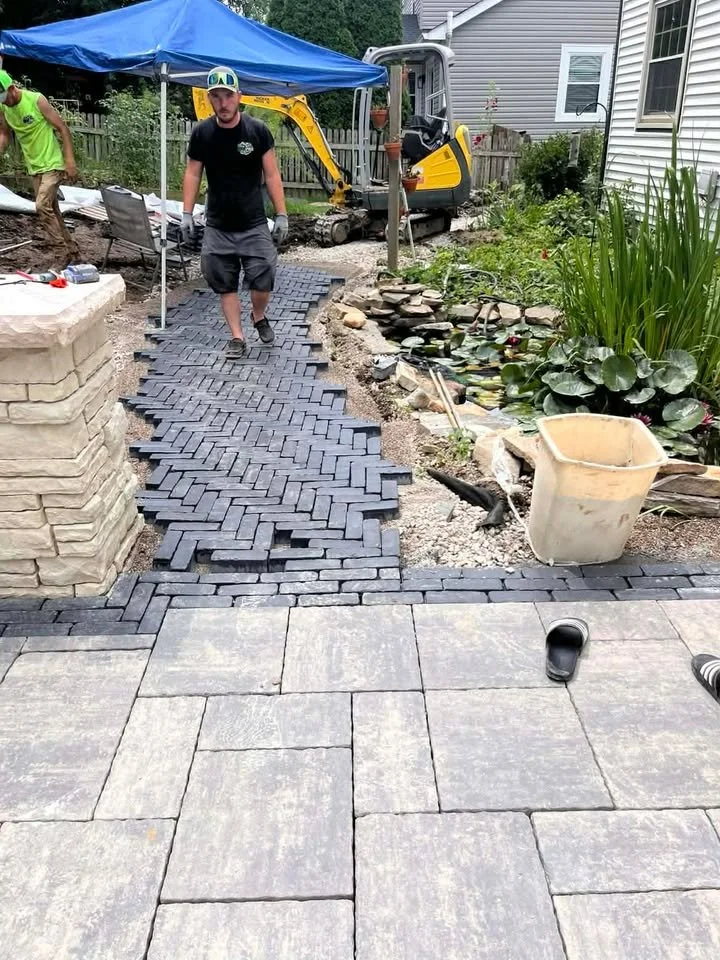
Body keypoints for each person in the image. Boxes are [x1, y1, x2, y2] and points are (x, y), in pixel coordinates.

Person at [182, 66, 288, 360]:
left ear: (238, 96)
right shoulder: (202, 133)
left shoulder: (257, 131)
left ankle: (258, 315)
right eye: (216, 96)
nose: (222, 102)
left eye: (227, 96)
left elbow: (272, 175)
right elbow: (192, 173)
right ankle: (237, 337)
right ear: (209, 98)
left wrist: (281, 214)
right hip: (218, 224)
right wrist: (186, 213)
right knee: (224, 281)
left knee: (264, 274)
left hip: (253, 222)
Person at [0, 69, 80, 265]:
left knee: (41, 206)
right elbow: (4, 134)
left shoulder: (36, 100)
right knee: (52, 210)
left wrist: (69, 161)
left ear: (11, 88)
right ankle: (73, 252)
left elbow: (62, 127)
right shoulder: (4, 108)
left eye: (3, 96)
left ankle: (61, 254)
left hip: (52, 163)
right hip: (34, 167)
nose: (4, 101)